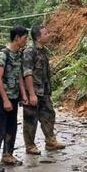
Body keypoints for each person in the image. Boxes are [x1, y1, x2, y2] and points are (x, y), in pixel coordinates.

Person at [0, 26, 29, 172]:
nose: (26, 41)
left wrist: (23, 94)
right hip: (3, 97)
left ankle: (7, 154)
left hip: (14, 96)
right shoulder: (3, 55)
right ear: (17, 38)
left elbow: (19, 75)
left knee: (11, 127)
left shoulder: (19, 54)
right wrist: (5, 99)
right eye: (25, 38)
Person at [22, 25, 65, 154]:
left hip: (44, 91)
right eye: (45, 33)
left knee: (49, 115)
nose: (49, 35)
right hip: (34, 92)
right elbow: (27, 73)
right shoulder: (29, 51)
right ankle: (30, 146)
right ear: (38, 37)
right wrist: (31, 94)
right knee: (30, 119)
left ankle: (50, 141)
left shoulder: (43, 51)